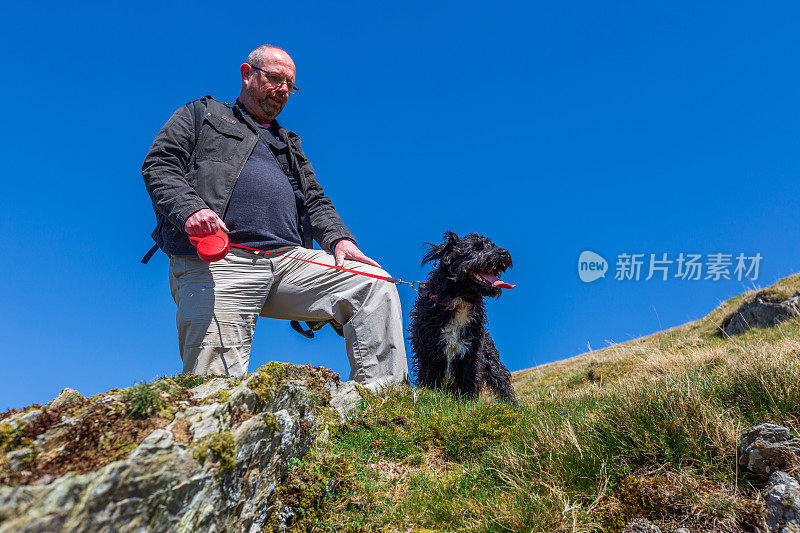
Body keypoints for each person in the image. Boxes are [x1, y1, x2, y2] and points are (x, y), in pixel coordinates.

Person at [142, 45, 408, 390]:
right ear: (246, 73)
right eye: (275, 79)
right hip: (220, 261)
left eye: (290, 85)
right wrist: (191, 209)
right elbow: (159, 164)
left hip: (287, 260)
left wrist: (341, 240)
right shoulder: (202, 114)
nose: (282, 90)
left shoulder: (288, 143)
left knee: (372, 281)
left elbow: (315, 199)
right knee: (213, 384)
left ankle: (382, 402)